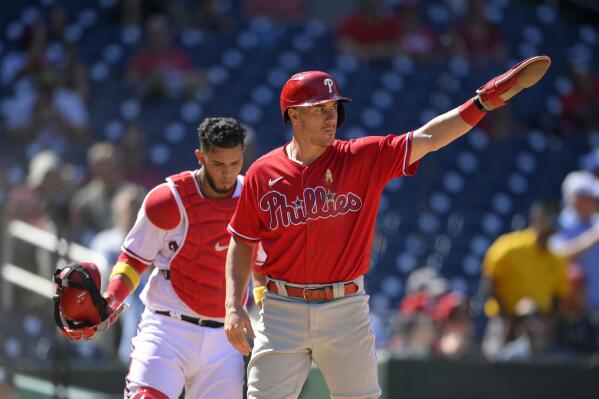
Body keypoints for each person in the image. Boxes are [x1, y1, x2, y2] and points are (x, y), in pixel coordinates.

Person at [224, 55, 551, 398]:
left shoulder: (362, 157)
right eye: (319, 108)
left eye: (333, 107)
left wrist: (481, 102)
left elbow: (429, 137)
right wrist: (234, 306)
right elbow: (242, 241)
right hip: (282, 307)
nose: (330, 116)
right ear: (293, 114)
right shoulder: (263, 172)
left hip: (344, 307)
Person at [99, 117, 257, 398]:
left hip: (224, 338)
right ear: (201, 156)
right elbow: (134, 259)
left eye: (235, 163)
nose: (227, 173)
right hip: (168, 330)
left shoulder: (252, 198)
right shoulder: (167, 200)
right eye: (218, 164)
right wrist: (113, 297)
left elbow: (264, 266)